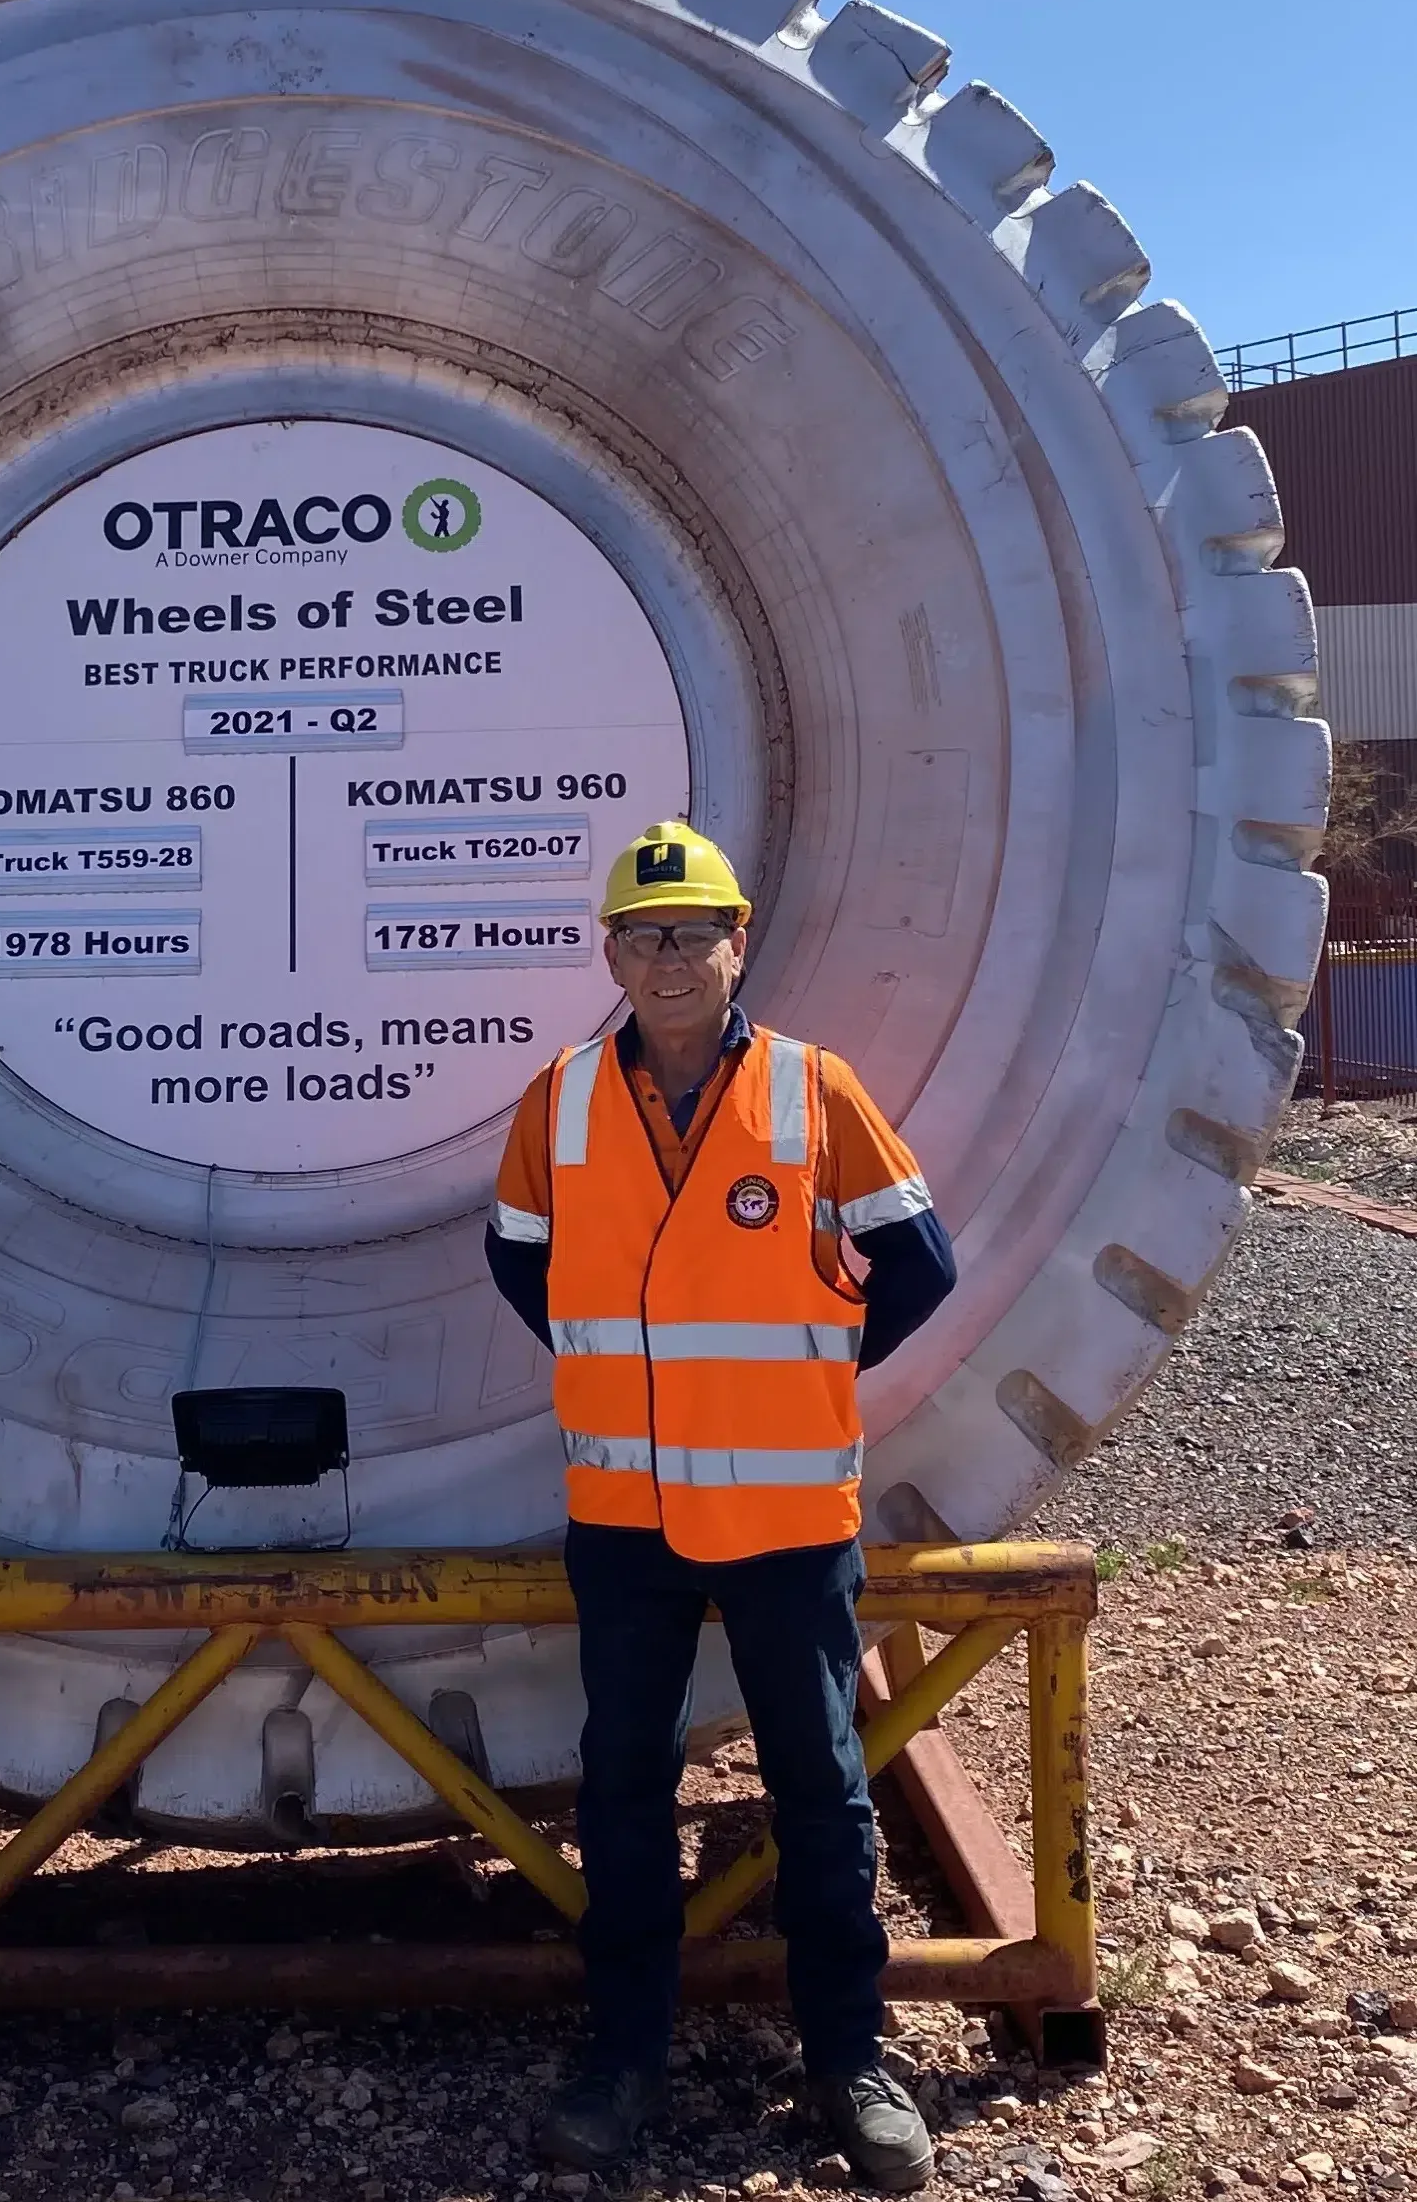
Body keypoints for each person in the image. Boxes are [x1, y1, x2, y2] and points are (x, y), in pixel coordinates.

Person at [487, 821, 957, 2187]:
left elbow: (915, 1261)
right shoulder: (560, 1104)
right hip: (623, 1517)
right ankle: (622, 2061)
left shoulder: (816, 1093)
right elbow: (519, 1263)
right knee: (624, 1793)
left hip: (787, 1520)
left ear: (737, 942)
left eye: (695, 931)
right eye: (644, 934)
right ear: (610, 954)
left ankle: (848, 2062)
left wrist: (810, 1365)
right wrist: (619, 1373)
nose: (670, 956)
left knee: (818, 1788)